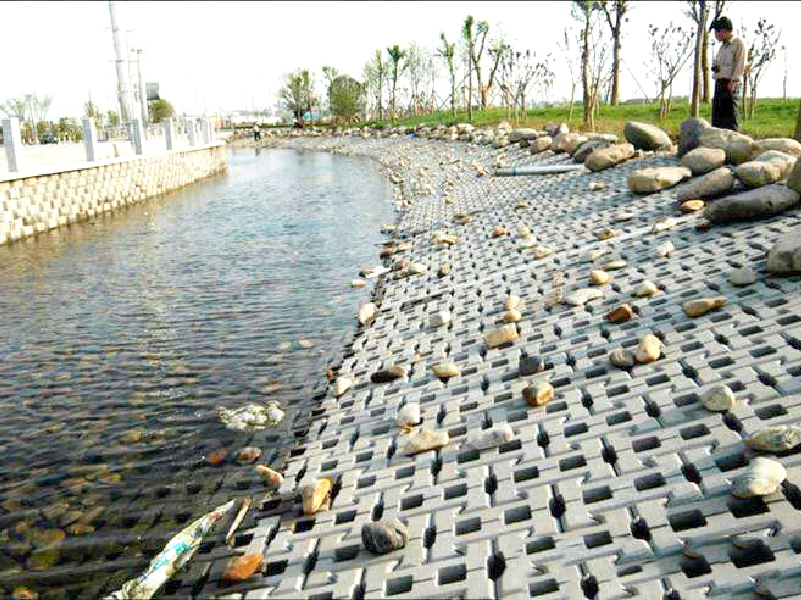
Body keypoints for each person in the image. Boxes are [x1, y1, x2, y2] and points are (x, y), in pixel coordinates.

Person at [710, 16, 746, 131]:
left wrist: (733, 81)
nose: (716, 35)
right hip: (720, 82)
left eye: (717, 32)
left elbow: (740, 63)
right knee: (718, 118)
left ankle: (734, 140)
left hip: (730, 83)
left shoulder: (738, 43)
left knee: (730, 117)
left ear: (724, 30)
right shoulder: (722, 46)